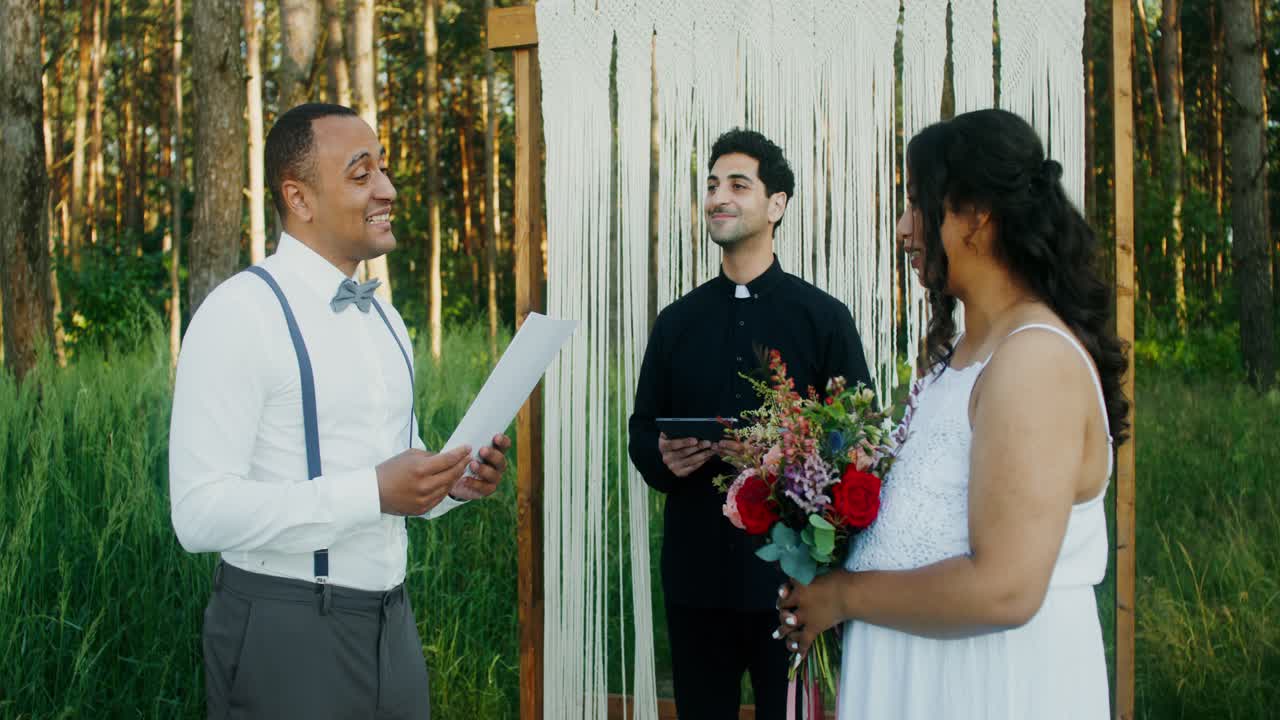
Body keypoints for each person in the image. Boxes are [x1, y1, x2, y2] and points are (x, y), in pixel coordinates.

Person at [775, 109, 1130, 719]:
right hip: (920, 685)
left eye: (918, 204)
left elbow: (1006, 589)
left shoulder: (1033, 362)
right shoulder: (960, 357)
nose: (903, 229)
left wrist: (845, 596)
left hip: (992, 689)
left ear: (978, 216)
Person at [169, 103, 512, 719]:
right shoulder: (239, 314)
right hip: (285, 627)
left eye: (383, 168)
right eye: (361, 174)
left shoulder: (387, 319)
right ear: (298, 197)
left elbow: (394, 467)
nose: (387, 189)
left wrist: (449, 484)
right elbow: (198, 514)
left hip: (393, 624)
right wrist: (372, 492)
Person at [629, 128, 872, 719]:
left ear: (776, 204)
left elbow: (858, 442)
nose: (719, 197)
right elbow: (641, 431)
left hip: (793, 586)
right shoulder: (676, 322)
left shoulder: (824, 318)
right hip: (696, 581)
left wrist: (787, 456)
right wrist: (664, 457)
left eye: (738, 185)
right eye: (713, 185)